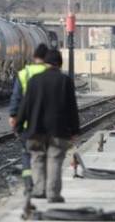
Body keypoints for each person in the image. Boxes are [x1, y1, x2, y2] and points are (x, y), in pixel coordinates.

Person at [15, 49, 80, 203]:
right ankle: (53, 194)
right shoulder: (65, 81)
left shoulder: (34, 80)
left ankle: (40, 189)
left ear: (45, 64)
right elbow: (72, 108)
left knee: (37, 158)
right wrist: (75, 129)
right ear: (60, 65)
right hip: (58, 130)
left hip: (35, 129)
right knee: (55, 160)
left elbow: (25, 105)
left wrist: (18, 126)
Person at [9, 43, 49, 196]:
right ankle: (42, 184)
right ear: (46, 58)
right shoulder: (50, 73)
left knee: (27, 153)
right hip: (46, 124)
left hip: (27, 124)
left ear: (34, 57)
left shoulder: (24, 74)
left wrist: (13, 117)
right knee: (43, 154)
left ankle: (28, 184)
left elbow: (16, 98)